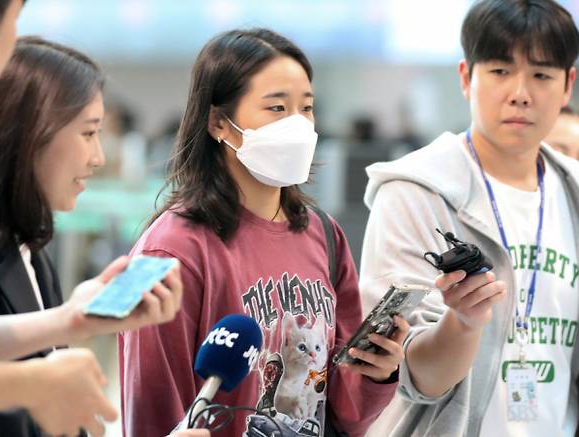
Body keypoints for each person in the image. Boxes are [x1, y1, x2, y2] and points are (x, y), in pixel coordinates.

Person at [119, 28, 410, 437]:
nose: (297, 126)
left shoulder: (324, 235)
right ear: (219, 122)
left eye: (306, 109)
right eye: (276, 108)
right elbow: (152, 411)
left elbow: (343, 409)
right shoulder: (171, 250)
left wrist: (377, 373)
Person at [0, 2, 193, 437]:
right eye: (89, 133)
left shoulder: (28, 247)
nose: (98, 157)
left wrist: (72, 318)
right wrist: (35, 383)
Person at [359, 1, 579, 436]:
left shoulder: (574, 192)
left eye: (541, 75)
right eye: (500, 71)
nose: (521, 92)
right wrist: (461, 324)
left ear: (568, 83)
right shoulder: (416, 192)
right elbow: (410, 378)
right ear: (466, 77)